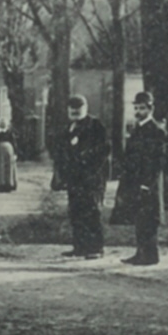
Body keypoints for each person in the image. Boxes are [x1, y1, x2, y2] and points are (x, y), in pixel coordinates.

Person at [60, 95, 109, 260]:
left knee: (91, 211)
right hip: (74, 178)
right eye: (71, 109)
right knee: (76, 211)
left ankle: (95, 248)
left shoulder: (95, 125)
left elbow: (103, 150)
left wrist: (86, 162)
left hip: (91, 178)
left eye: (78, 108)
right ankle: (79, 246)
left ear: (85, 108)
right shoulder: (69, 127)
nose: (74, 111)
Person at [122, 91, 165, 266]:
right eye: (136, 108)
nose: (138, 112)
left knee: (149, 220)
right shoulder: (138, 129)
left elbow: (158, 161)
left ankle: (150, 256)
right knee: (140, 219)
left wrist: (147, 183)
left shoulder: (156, 131)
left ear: (151, 109)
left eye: (142, 108)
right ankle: (140, 253)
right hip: (136, 181)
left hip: (149, 183)